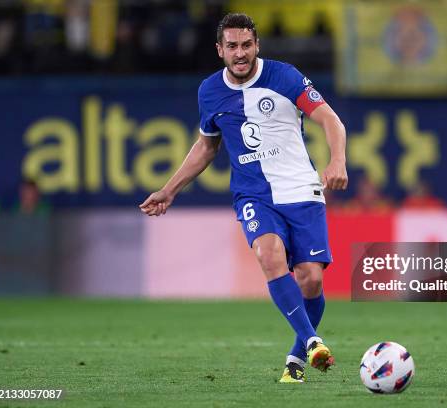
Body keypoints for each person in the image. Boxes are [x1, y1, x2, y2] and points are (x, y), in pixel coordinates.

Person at [139, 13, 348, 383]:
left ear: (257, 46)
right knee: (269, 255)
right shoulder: (209, 91)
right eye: (232, 46)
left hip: (300, 188)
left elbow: (331, 120)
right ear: (220, 50)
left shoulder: (284, 77)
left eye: (246, 45)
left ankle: (296, 360)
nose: (240, 54)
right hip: (254, 194)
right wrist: (169, 190)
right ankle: (314, 342)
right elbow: (206, 147)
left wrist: (337, 160)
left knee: (311, 281)